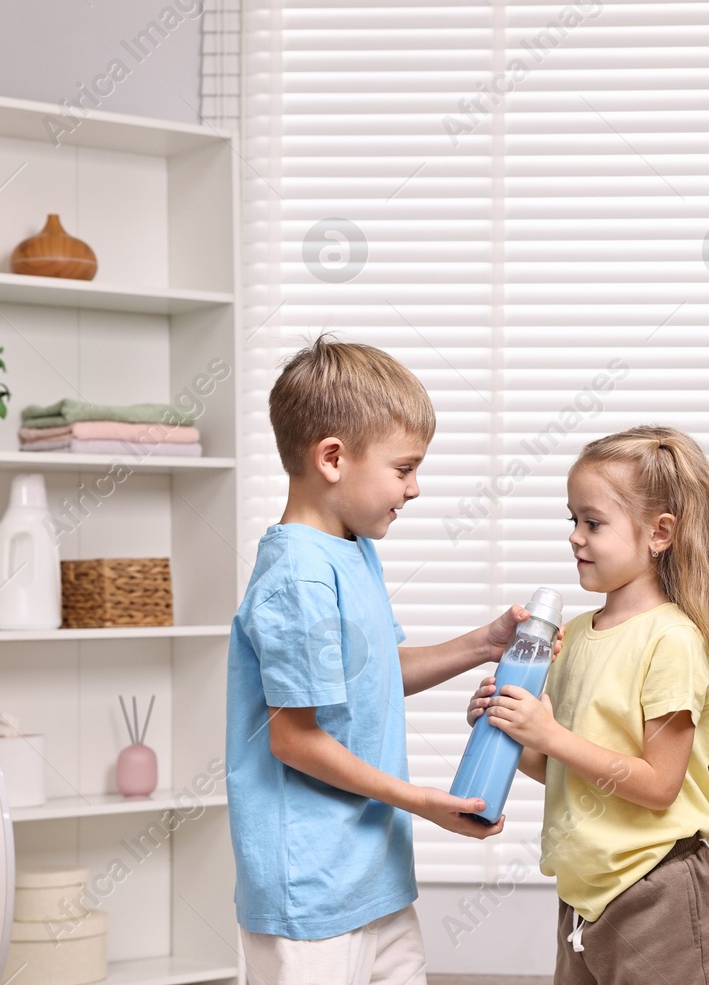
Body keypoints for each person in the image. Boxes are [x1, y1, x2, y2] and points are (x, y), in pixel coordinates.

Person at [226, 335, 540, 985]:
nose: (416, 487)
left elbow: (373, 676)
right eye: (404, 467)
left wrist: (483, 644)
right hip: (311, 891)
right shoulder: (299, 578)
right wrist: (419, 800)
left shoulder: (352, 547)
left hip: (372, 872)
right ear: (333, 458)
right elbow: (293, 737)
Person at [468, 425, 709, 985]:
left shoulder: (672, 641)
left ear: (659, 533)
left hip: (655, 889)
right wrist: (513, 729)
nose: (576, 536)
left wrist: (549, 734)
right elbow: (568, 773)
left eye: (593, 523)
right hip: (583, 893)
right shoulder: (572, 636)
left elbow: (656, 785)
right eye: (572, 520)